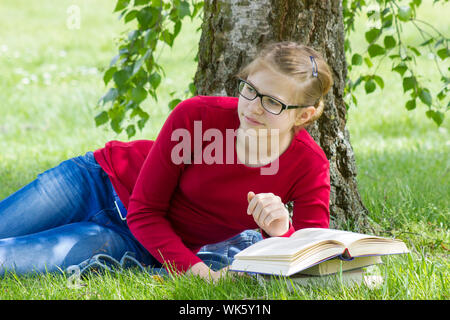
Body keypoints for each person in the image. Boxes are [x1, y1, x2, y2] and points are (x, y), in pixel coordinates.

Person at [0, 41, 333, 282]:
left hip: (136, 238)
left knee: (7, 260)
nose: (253, 107)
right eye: (249, 89)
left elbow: (308, 256)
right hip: (95, 180)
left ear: (303, 115)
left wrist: (279, 231)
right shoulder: (197, 115)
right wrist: (202, 274)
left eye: (272, 102)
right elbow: (147, 208)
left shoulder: (309, 165)